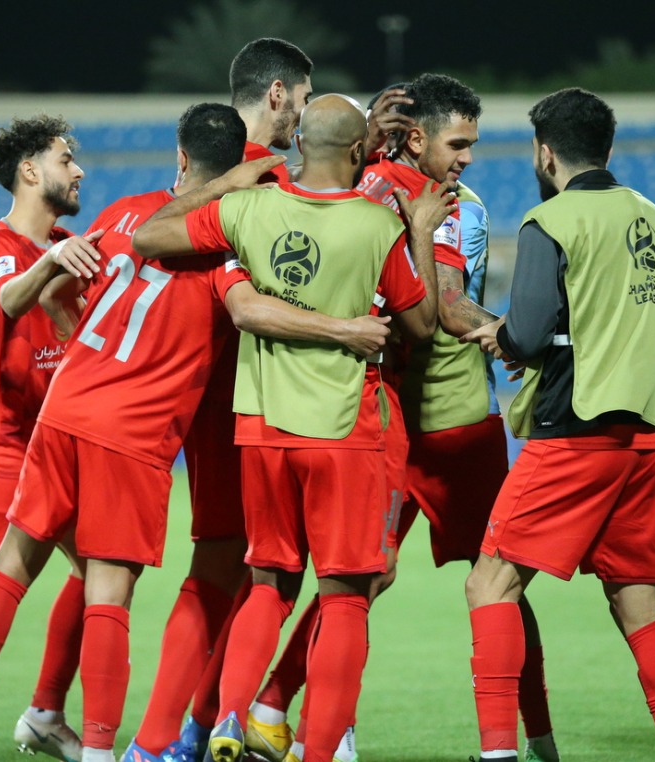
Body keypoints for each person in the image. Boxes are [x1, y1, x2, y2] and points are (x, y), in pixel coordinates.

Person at [0, 103, 389, 762]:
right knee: (109, 593)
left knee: (7, 568)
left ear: (180, 157)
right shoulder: (228, 238)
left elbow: (73, 291)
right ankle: (103, 752)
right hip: (131, 433)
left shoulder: (121, 214)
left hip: (64, 408)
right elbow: (251, 310)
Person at [130, 93, 453, 762]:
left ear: (298, 145)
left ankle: (226, 720)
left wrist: (225, 184)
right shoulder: (375, 226)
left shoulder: (248, 208)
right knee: (345, 600)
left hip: (261, 430)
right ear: (360, 152)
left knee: (269, 583)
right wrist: (420, 231)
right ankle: (316, 750)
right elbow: (422, 326)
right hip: (343, 434)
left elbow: (148, 235)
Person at [244, 77, 557, 762]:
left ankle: (279, 709)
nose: (468, 158)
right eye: (459, 143)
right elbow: (445, 308)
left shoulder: (359, 183)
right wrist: (520, 338)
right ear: (417, 137)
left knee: (352, 579)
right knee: (497, 581)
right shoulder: (450, 206)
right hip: (447, 427)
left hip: (372, 418)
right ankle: (528, 740)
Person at [461, 87, 655, 762]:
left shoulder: (553, 221)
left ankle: (499, 755)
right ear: (608, 148)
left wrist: (504, 339)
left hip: (576, 432)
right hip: (649, 437)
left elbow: (532, 333)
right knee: (638, 606)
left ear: (545, 153)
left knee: (490, 583)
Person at [0, 114, 104, 762]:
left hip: (52, 441)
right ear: (30, 171)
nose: (78, 169)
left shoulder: (69, 245)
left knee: (101, 576)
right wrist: (56, 262)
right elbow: (8, 298)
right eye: (66, 158)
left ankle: (44, 713)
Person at [231, 37, 313, 183]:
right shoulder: (268, 173)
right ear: (278, 92)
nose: (307, 110)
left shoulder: (197, 156)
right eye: (305, 98)